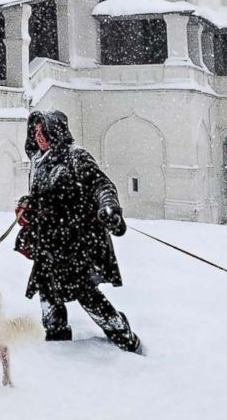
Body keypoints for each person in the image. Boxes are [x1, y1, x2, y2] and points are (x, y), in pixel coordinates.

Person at [14, 109, 143, 353]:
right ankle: (57, 342)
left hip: (77, 242)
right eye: (36, 132)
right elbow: (43, 197)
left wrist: (108, 206)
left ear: (57, 131)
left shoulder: (76, 157)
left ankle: (125, 338)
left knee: (87, 295)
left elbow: (101, 184)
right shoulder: (39, 161)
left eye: (44, 132)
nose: (40, 137)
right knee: (48, 295)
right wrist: (29, 205)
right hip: (50, 243)